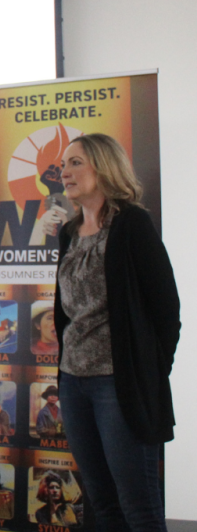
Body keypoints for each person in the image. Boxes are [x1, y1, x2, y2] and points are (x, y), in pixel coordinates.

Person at [54, 133, 180, 531]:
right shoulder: (69, 233)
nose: (64, 172)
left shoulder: (132, 225)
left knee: (137, 505)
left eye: (75, 162)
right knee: (101, 501)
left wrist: (150, 372)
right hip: (74, 383)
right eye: (63, 165)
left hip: (118, 384)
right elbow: (67, 312)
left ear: (103, 167)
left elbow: (166, 309)